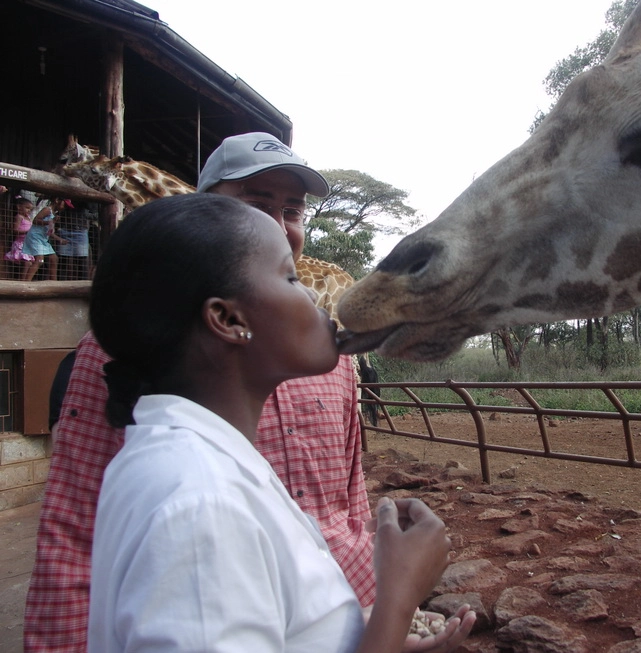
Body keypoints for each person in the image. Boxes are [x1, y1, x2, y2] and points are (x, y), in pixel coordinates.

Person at [24, 133, 475, 652]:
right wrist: (398, 598)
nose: (283, 227)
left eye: (293, 210)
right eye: (257, 205)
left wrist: (373, 627)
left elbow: (346, 504)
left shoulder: (321, 364)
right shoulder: (197, 498)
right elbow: (76, 532)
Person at [22, 197, 70, 281]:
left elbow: (49, 232)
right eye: (64, 204)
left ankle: (54, 283)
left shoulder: (54, 214)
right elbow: (35, 220)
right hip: (35, 237)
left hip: (43, 239)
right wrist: (49, 222)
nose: (64, 207)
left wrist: (60, 239)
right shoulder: (47, 210)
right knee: (39, 260)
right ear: (57, 200)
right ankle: (26, 283)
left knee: (54, 258)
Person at [4, 195, 36, 277]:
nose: (29, 210)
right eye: (27, 208)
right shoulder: (19, 217)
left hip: (27, 244)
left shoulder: (28, 218)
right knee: (27, 263)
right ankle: (22, 280)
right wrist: (26, 232)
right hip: (20, 244)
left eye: (30, 209)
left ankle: (25, 279)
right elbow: (15, 230)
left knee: (30, 263)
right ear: (19, 207)